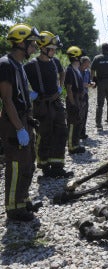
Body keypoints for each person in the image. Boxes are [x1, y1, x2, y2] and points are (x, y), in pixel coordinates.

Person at [0, 23, 41, 221]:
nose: (34, 48)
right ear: (21, 43)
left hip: (23, 119)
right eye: (32, 43)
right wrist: (19, 128)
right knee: (16, 164)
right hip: (13, 122)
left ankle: (23, 199)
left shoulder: (19, 66)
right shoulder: (6, 64)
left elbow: (21, 95)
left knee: (28, 161)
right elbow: (7, 100)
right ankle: (14, 208)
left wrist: (29, 121)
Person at [24, 31, 73, 178]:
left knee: (61, 132)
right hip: (41, 105)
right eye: (51, 48)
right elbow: (20, 83)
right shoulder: (31, 65)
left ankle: (58, 166)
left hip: (56, 103)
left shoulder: (55, 61)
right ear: (43, 48)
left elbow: (62, 72)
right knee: (44, 135)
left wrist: (60, 86)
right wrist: (30, 93)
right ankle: (45, 166)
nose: (54, 51)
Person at [65, 46, 86, 154]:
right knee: (72, 123)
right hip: (73, 99)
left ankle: (76, 144)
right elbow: (69, 89)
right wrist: (73, 104)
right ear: (76, 57)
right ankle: (71, 146)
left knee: (78, 122)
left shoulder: (76, 69)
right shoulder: (69, 70)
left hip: (78, 99)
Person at [79, 56, 94, 139]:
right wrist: (88, 85)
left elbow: (87, 82)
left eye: (89, 63)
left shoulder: (87, 71)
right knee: (78, 115)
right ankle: (77, 133)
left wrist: (91, 83)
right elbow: (81, 84)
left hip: (85, 95)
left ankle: (82, 133)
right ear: (82, 62)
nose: (89, 64)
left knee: (85, 114)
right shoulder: (77, 70)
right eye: (87, 63)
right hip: (78, 95)